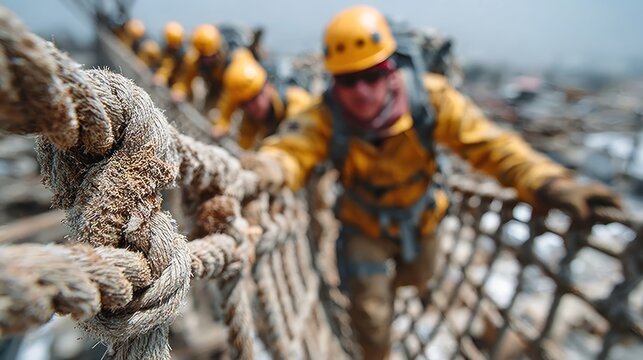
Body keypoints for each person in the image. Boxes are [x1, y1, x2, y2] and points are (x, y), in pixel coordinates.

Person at [242, 5, 623, 359]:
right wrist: (264, 170)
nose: (361, 91)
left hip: (421, 216)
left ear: (390, 70)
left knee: (421, 277)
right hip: (363, 223)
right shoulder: (325, 116)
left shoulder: (431, 101)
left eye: (371, 76)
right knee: (371, 313)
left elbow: (491, 146)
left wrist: (549, 183)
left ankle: (395, 294)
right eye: (348, 80)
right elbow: (292, 149)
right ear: (334, 83)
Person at [211, 48, 313, 149]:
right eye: (245, 104)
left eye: (253, 99)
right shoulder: (251, 118)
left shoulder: (298, 104)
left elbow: (300, 144)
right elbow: (243, 147)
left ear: (267, 87)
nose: (251, 108)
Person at [170, 24, 228, 107]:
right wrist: (179, 90)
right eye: (203, 56)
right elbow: (185, 79)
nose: (206, 61)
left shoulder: (227, 62)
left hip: (224, 92)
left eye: (209, 57)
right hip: (210, 86)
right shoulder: (194, 60)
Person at [153, 21, 187, 87]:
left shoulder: (183, 57)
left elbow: (183, 77)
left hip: (174, 83)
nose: (172, 47)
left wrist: (179, 88)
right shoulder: (161, 49)